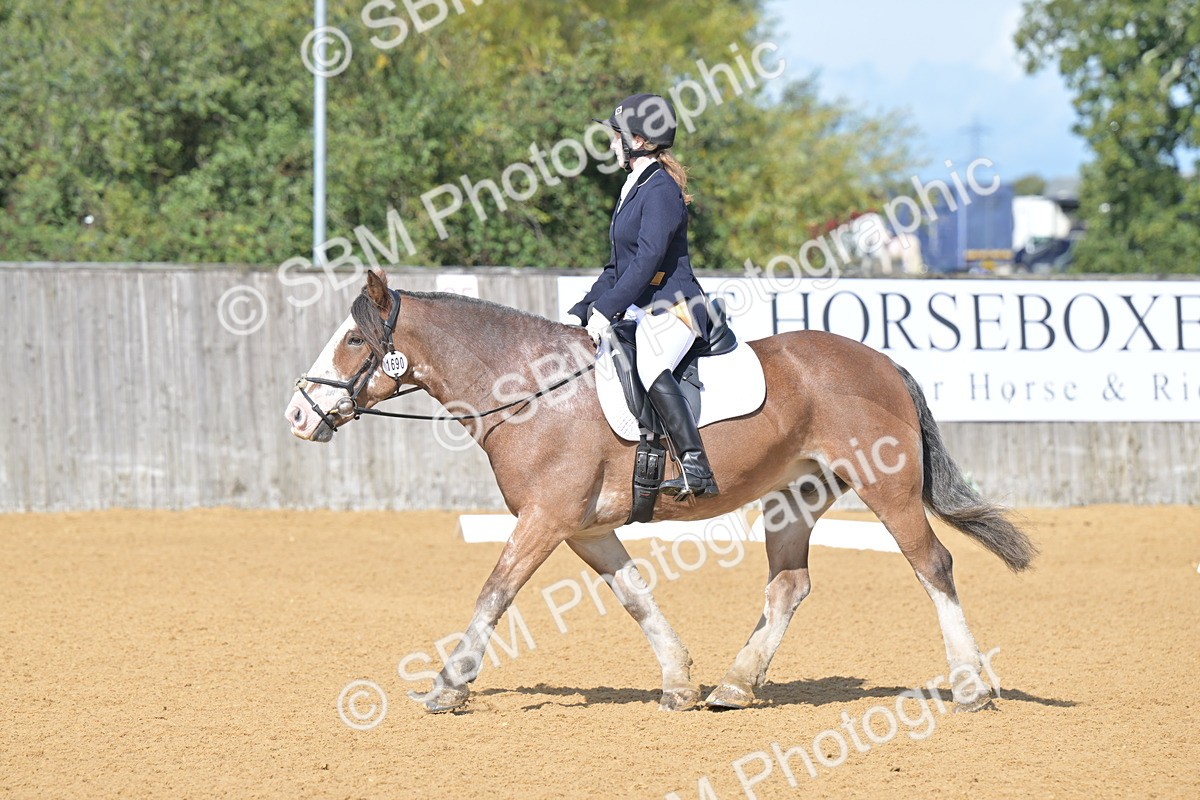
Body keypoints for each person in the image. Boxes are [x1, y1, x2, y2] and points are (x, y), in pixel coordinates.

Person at [568, 93, 718, 499]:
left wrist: (610, 309)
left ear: (639, 141)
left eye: (616, 136)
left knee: (652, 364)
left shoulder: (660, 190)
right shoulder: (634, 186)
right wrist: (586, 310)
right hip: (649, 308)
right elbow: (619, 264)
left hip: (678, 305)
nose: (611, 143)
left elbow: (649, 258)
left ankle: (695, 466)